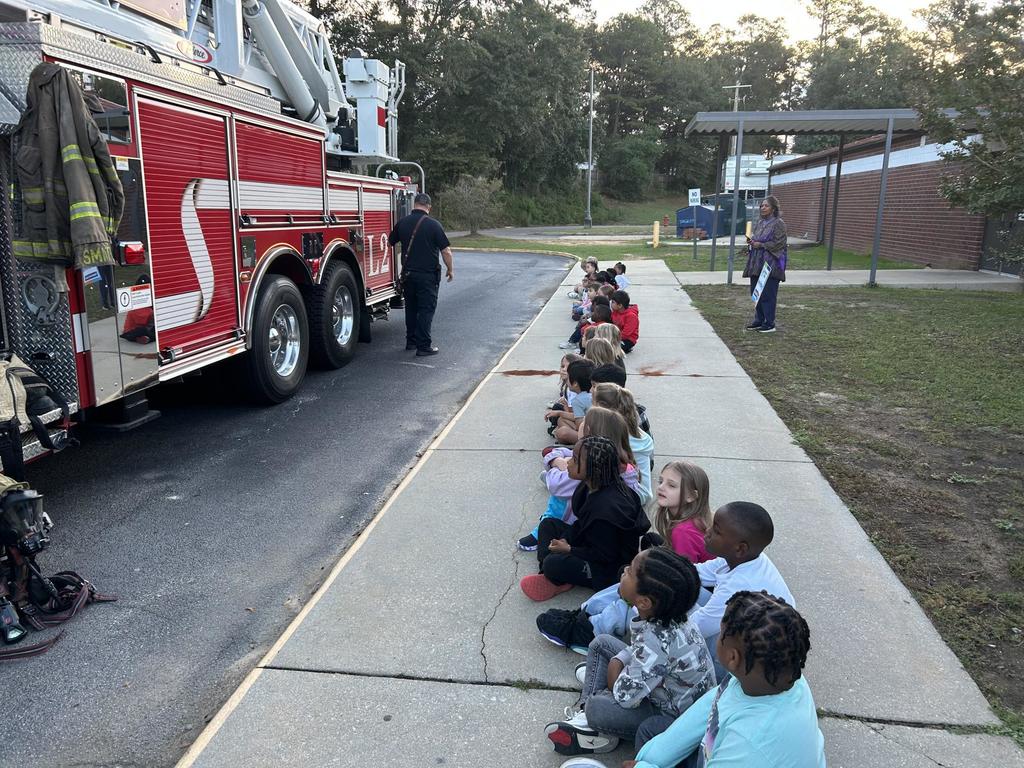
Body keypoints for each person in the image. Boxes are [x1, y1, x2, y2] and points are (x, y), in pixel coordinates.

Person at [544, 549, 715, 756]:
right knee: (601, 643)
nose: (624, 570)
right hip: (665, 687)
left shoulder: (656, 640)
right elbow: (642, 652)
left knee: (597, 708)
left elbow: (625, 696)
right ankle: (588, 711)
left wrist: (616, 665)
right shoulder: (672, 617)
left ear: (644, 602)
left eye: (630, 572)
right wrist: (621, 660)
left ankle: (595, 725)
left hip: (672, 717)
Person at [627, 592, 825, 768]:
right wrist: (651, 759)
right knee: (651, 733)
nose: (718, 638)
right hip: (726, 746)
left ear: (732, 658)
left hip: (746, 752)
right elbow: (713, 704)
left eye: (721, 634)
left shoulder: (750, 743)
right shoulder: (778, 675)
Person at [521, 436, 650, 601]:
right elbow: (580, 524)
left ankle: (553, 575)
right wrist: (566, 539)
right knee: (547, 525)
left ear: (593, 469)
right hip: (592, 540)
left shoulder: (606, 511)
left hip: (609, 567)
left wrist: (569, 550)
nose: (568, 463)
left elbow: (606, 555)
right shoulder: (588, 486)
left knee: (552, 563)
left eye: (575, 460)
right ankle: (553, 575)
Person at [693, 501, 794, 678]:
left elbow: (696, 629)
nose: (708, 531)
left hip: (758, 663)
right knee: (686, 590)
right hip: (753, 635)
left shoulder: (739, 586)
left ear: (740, 548)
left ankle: (711, 683)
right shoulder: (742, 558)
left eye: (716, 531)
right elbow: (695, 573)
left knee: (683, 629)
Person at [521, 407, 640, 552]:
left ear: (590, 433)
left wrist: (558, 464)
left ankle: (547, 547)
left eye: (584, 421)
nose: (580, 423)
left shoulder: (590, 474)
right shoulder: (615, 464)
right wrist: (559, 460)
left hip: (586, 535)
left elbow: (556, 486)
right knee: (561, 465)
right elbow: (567, 453)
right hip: (591, 530)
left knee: (559, 500)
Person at [388, 192, 453, 356]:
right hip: (427, 276)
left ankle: (411, 342)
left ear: (414, 205)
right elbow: (446, 251)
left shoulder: (402, 223)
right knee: (425, 310)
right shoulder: (434, 225)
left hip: (408, 275)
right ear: (429, 207)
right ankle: (424, 346)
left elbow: (391, 242)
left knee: (411, 308)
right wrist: (450, 269)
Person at [591, 383, 653, 506]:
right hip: (641, 491)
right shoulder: (630, 427)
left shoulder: (615, 436)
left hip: (634, 494)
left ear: (601, 407)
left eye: (592, 403)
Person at [651, 462, 713, 565]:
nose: (661, 487)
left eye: (671, 485)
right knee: (651, 540)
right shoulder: (698, 517)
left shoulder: (683, 532)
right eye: (660, 481)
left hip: (701, 579)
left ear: (691, 496)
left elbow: (683, 573)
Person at [742, 195, 787, 334]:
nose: (762, 208)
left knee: (768, 293)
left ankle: (769, 322)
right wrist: (751, 242)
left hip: (770, 264)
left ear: (773, 208)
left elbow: (779, 243)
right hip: (756, 263)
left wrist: (760, 244)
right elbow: (755, 238)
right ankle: (759, 319)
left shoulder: (778, 223)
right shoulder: (760, 223)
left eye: (766, 205)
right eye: (761, 205)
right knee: (756, 292)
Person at [553, 359, 595, 445]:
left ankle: (575, 445)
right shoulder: (592, 394)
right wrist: (560, 413)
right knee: (561, 420)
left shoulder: (578, 401)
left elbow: (580, 426)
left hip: (589, 438)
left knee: (561, 433)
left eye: (568, 378)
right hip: (596, 430)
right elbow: (580, 416)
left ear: (575, 383)